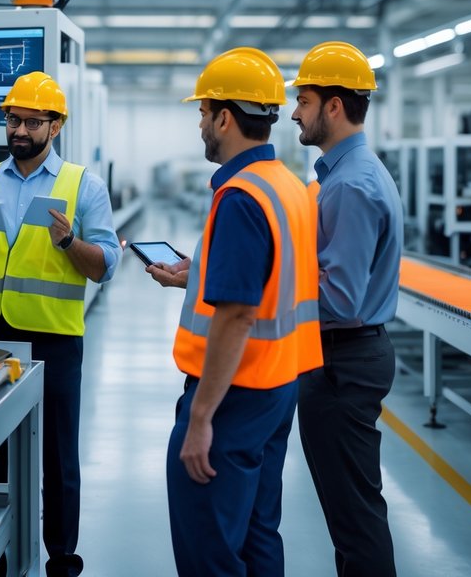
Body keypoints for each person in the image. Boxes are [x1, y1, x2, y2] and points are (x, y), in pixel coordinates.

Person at [148, 47, 322, 576]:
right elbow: (270, 283)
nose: (200, 123)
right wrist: (196, 275)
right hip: (277, 387)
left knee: (212, 549)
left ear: (224, 117)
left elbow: (237, 315)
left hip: (232, 397)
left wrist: (201, 418)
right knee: (257, 532)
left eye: (202, 112)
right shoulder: (289, 186)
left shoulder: (242, 197)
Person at [0, 71, 120, 577]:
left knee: (58, 456)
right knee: (0, 452)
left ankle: (62, 556)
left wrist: (70, 243)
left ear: (56, 126)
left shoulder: (82, 186)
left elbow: (106, 264)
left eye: (30, 121)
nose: (19, 130)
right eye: (12, 119)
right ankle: (3, 548)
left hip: (53, 335)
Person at [291, 41, 401, 577]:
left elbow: (338, 299)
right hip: (343, 358)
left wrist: (262, 288)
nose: (294, 113)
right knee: (350, 512)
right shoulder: (344, 175)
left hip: (343, 363)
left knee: (354, 518)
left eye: (304, 101)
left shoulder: (351, 186)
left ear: (333, 106)